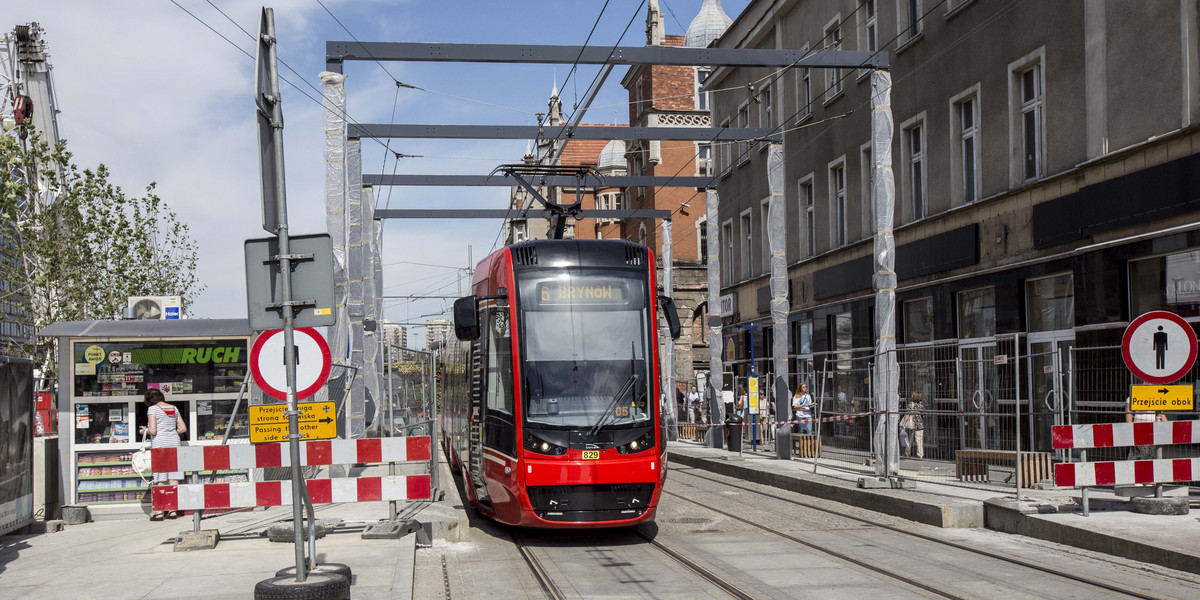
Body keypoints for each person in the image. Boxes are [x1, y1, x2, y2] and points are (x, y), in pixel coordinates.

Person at [140, 388, 186, 520]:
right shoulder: (174, 408)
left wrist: (145, 430)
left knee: (160, 478)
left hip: (160, 444)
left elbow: (153, 431)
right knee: (174, 478)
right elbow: (182, 428)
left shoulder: (153, 409)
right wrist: (170, 433)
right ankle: (173, 511)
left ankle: (160, 512)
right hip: (174, 443)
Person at [1126, 396, 1166, 460]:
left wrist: (1167, 426)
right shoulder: (1133, 396)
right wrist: (1130, 427)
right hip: (1139, 428)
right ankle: (1133, 467)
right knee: (1143, 453)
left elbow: (1161, 414)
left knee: (1151, 453)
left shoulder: (1154, 397)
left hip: (1152, 429)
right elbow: (1129, 412)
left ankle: (1145, 468)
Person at [904, 391, 925, 458]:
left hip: (911, 425)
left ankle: (907, 453)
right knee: (919, 441)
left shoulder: (910, 405)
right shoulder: (921, 405)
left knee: (909, 440)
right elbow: (923, 415)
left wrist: (904, 422)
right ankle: (920, 455)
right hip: (919, 425)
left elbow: (907, 414)